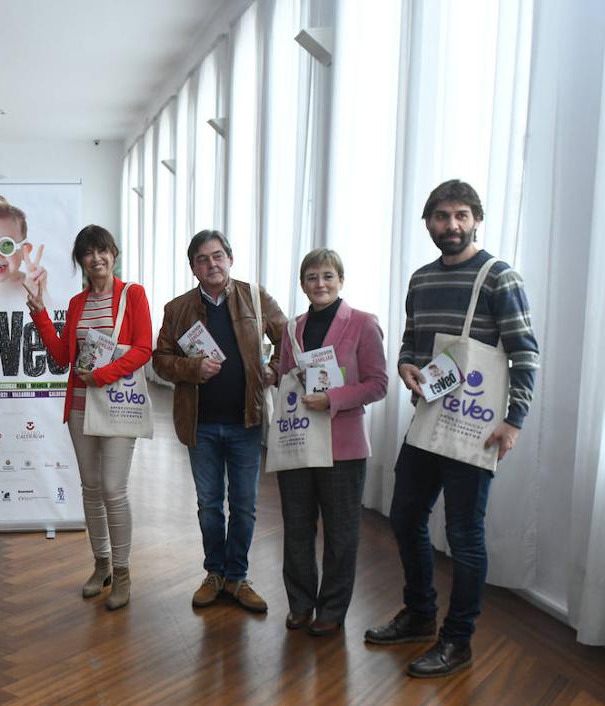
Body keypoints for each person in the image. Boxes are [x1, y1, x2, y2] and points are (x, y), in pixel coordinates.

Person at [366, 180, 539, 677]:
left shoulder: (498, 277)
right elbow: (410, 341)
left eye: (461, 215)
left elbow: (525, 352)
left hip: (478, 427)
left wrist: (514, 421)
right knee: (404, 516)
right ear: (428, 223)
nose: (452, 226)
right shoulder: (421, 279)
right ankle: (420, 613)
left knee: (465, 535)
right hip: (431, 418)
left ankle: (457, 640)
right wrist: (404, 367)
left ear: (477, 219)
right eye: (442, 217)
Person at [152, 229, 285, 613]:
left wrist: (275, 369)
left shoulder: (256, 298)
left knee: (244, 506)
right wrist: (192, 368)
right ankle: (214, 573)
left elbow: (288, 337)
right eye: (202, 259)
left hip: (246, 421)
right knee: (209, 505)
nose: (212, 264)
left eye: (217, 256)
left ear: (230, 258)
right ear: (193, 267)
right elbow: (160, 359)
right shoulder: (177, 309)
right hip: (201, 423)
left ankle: (237, 577)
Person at [27, 225, 152, 610]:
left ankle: (123, 570)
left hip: (116, 403)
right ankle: (101, 565)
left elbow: (144, 348)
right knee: (91, 489)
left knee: (114, 488)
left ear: (113, 253)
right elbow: (64, 356)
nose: (96, 259)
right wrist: (40, 314)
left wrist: (101, 375)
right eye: (87, 253)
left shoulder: (133, 294)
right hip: (80, 406)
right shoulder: (79, 302)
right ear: (80, 260)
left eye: (101, 251)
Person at [276, 249, 388, 636]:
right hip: (298, 440)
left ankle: (332, 609)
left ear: (341, 280)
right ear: (302, 284)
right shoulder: (292, 328)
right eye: (311, 277)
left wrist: (333, 400)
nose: (319, 284)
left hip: (344, 446)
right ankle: (300, 603)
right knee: (296, 527)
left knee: (341, 533)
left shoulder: (363, 324)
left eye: (327, 276)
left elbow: (378, 384)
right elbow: (287, 377)